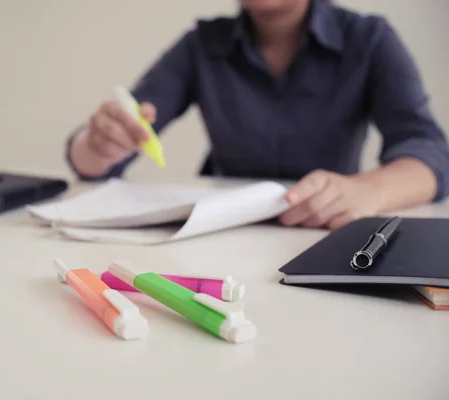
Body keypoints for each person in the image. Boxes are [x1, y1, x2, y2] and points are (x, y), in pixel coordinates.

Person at [66, 0, 449, 230]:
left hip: (326, 231)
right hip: (218, 238)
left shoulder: (370, 39)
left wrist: (373, 189)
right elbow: (98, 153)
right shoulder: (201, 44)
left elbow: (430, 151)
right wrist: (99, 146)